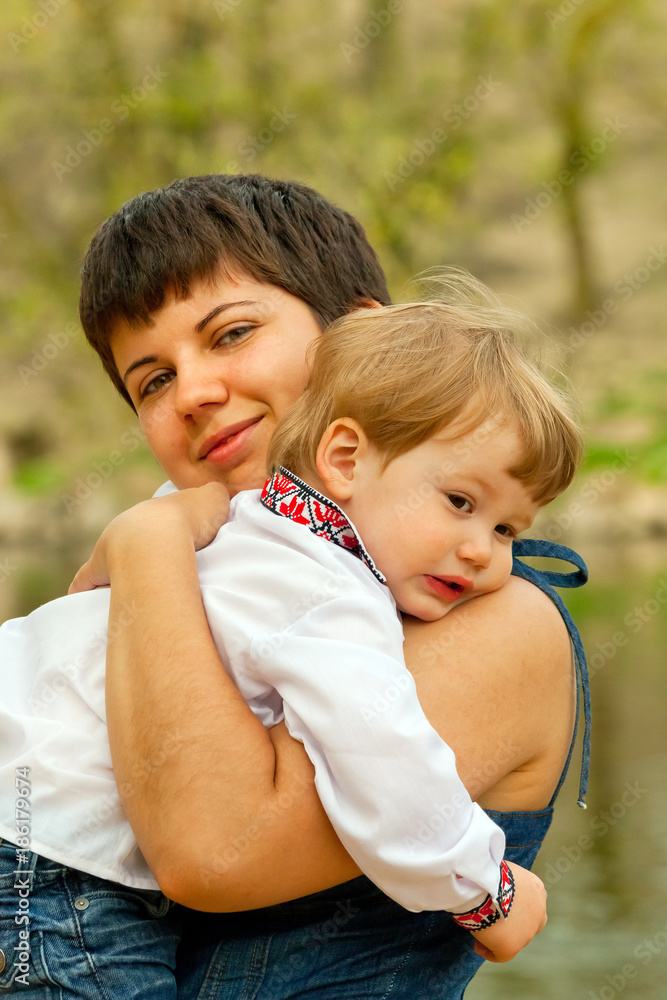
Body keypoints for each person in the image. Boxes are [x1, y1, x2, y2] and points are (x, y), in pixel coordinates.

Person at [15, 174, 589, 999]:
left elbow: (213, 851)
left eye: (232, 333)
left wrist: (147, 547)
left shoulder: (499, 619)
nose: (195, 393)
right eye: (152, 381)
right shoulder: (235, 553)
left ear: (361, 334)